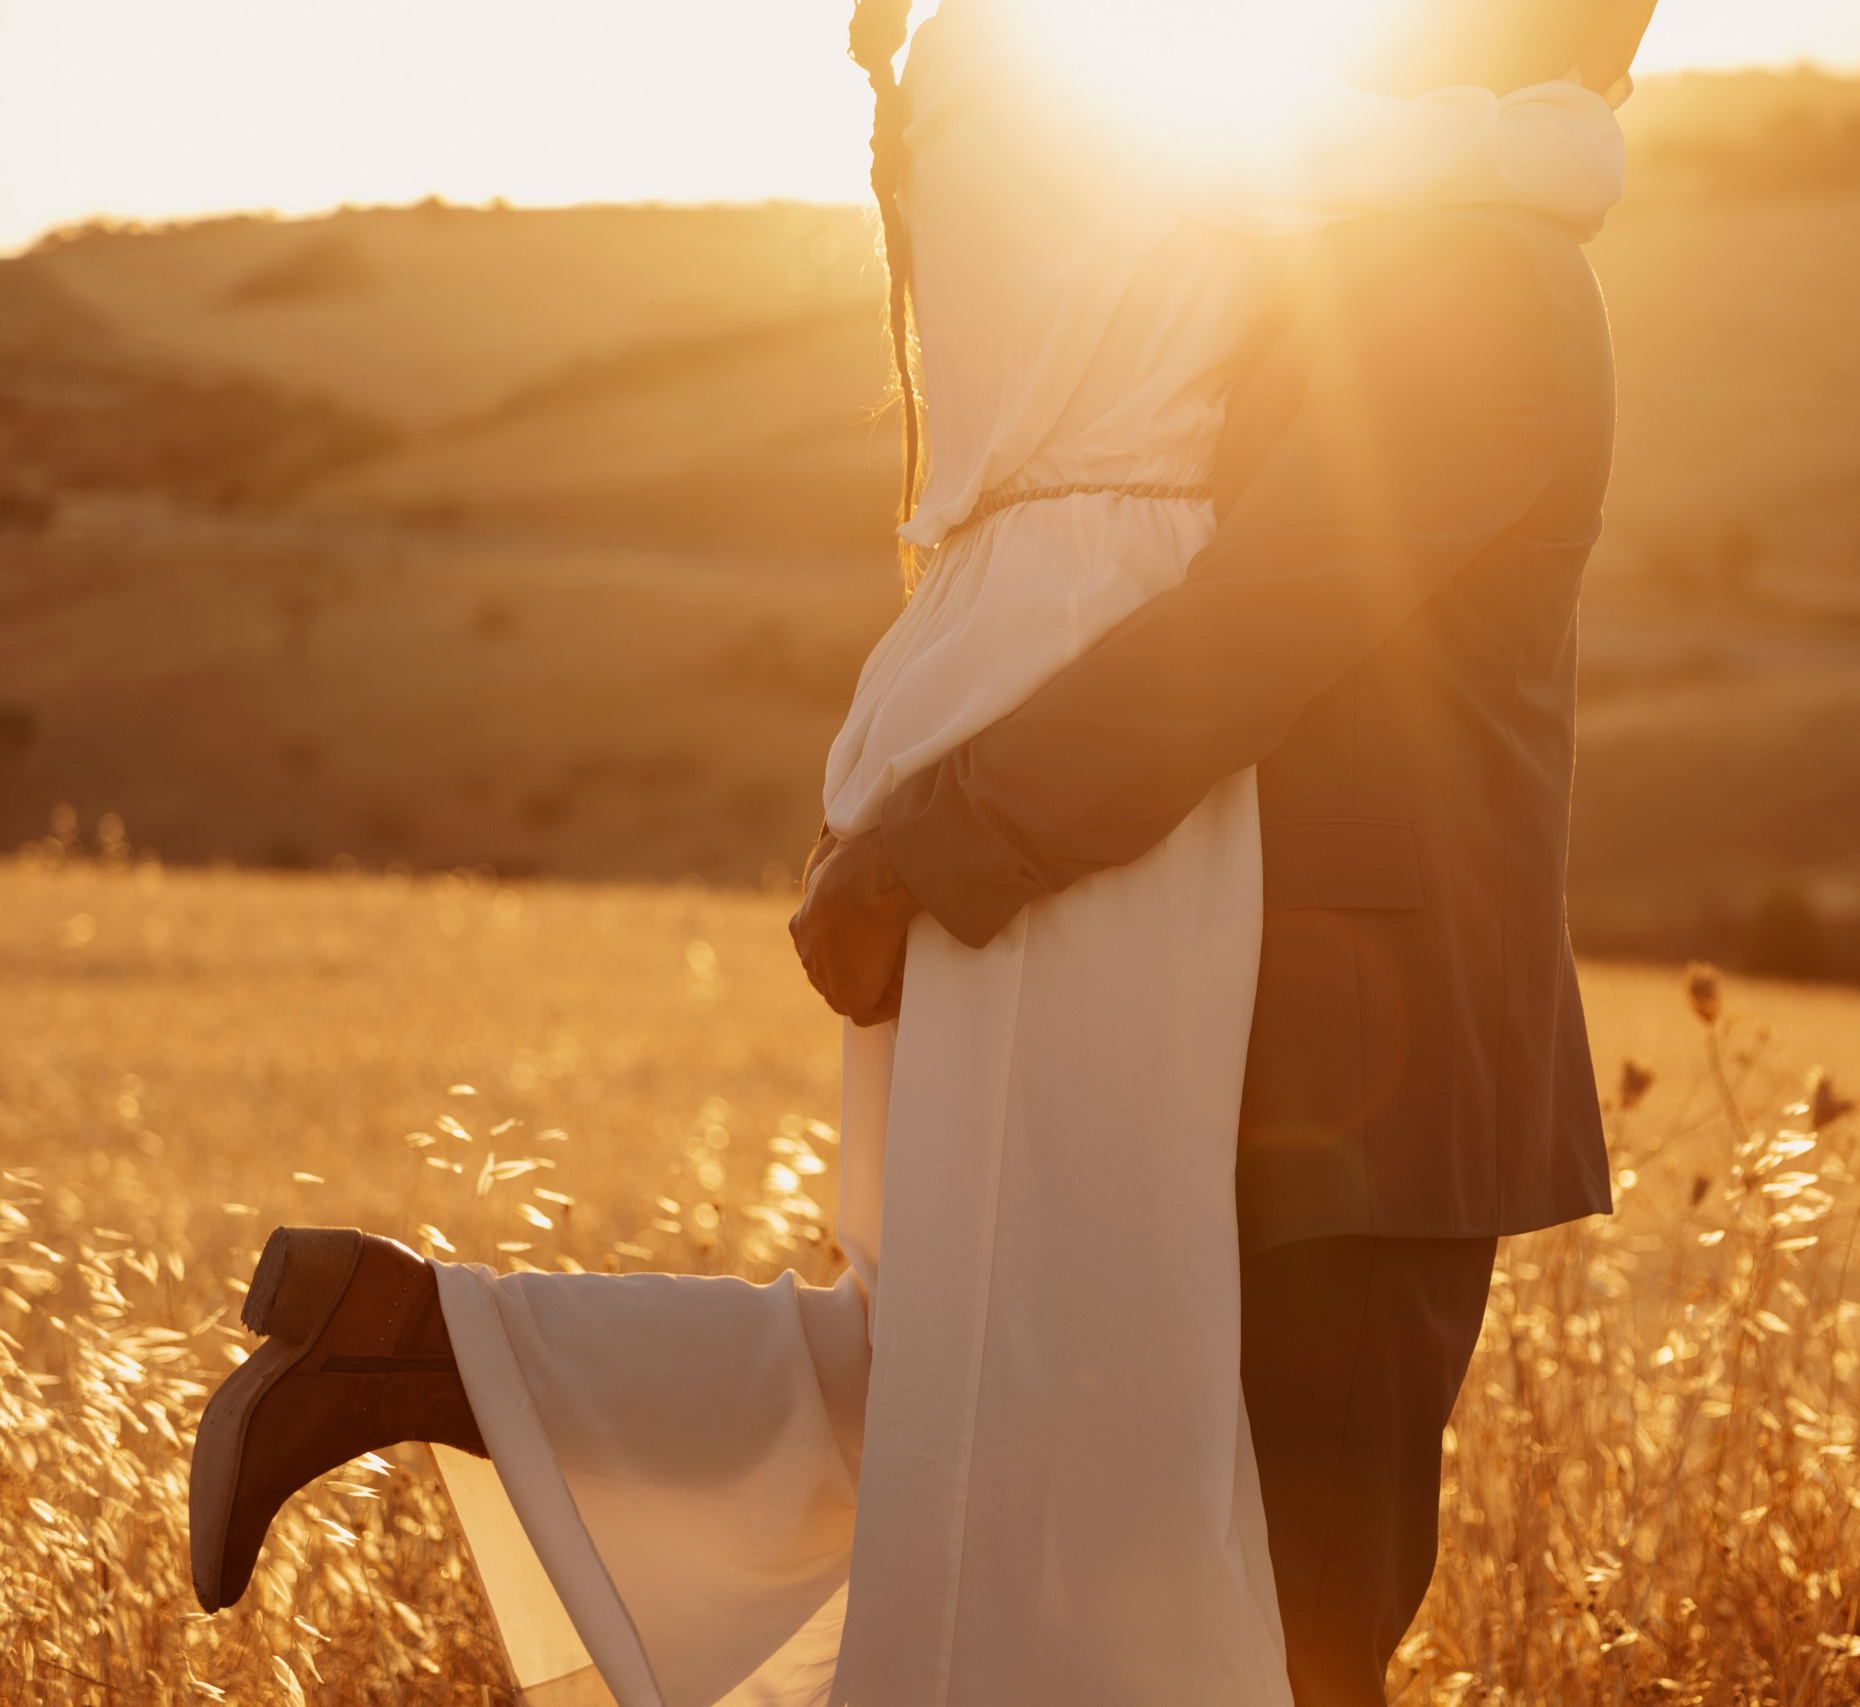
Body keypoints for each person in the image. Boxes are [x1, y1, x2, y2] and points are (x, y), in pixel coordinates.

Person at [189, 2, 1648, 1703]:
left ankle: (423, 1348)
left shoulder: (1472, 281)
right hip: (1206, 984)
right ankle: (419, 1347)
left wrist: (939, 829)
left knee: (1184, 1554)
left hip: (1343, 1070)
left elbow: (1255, 625)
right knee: (1089, 1497)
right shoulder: (1366, 252)